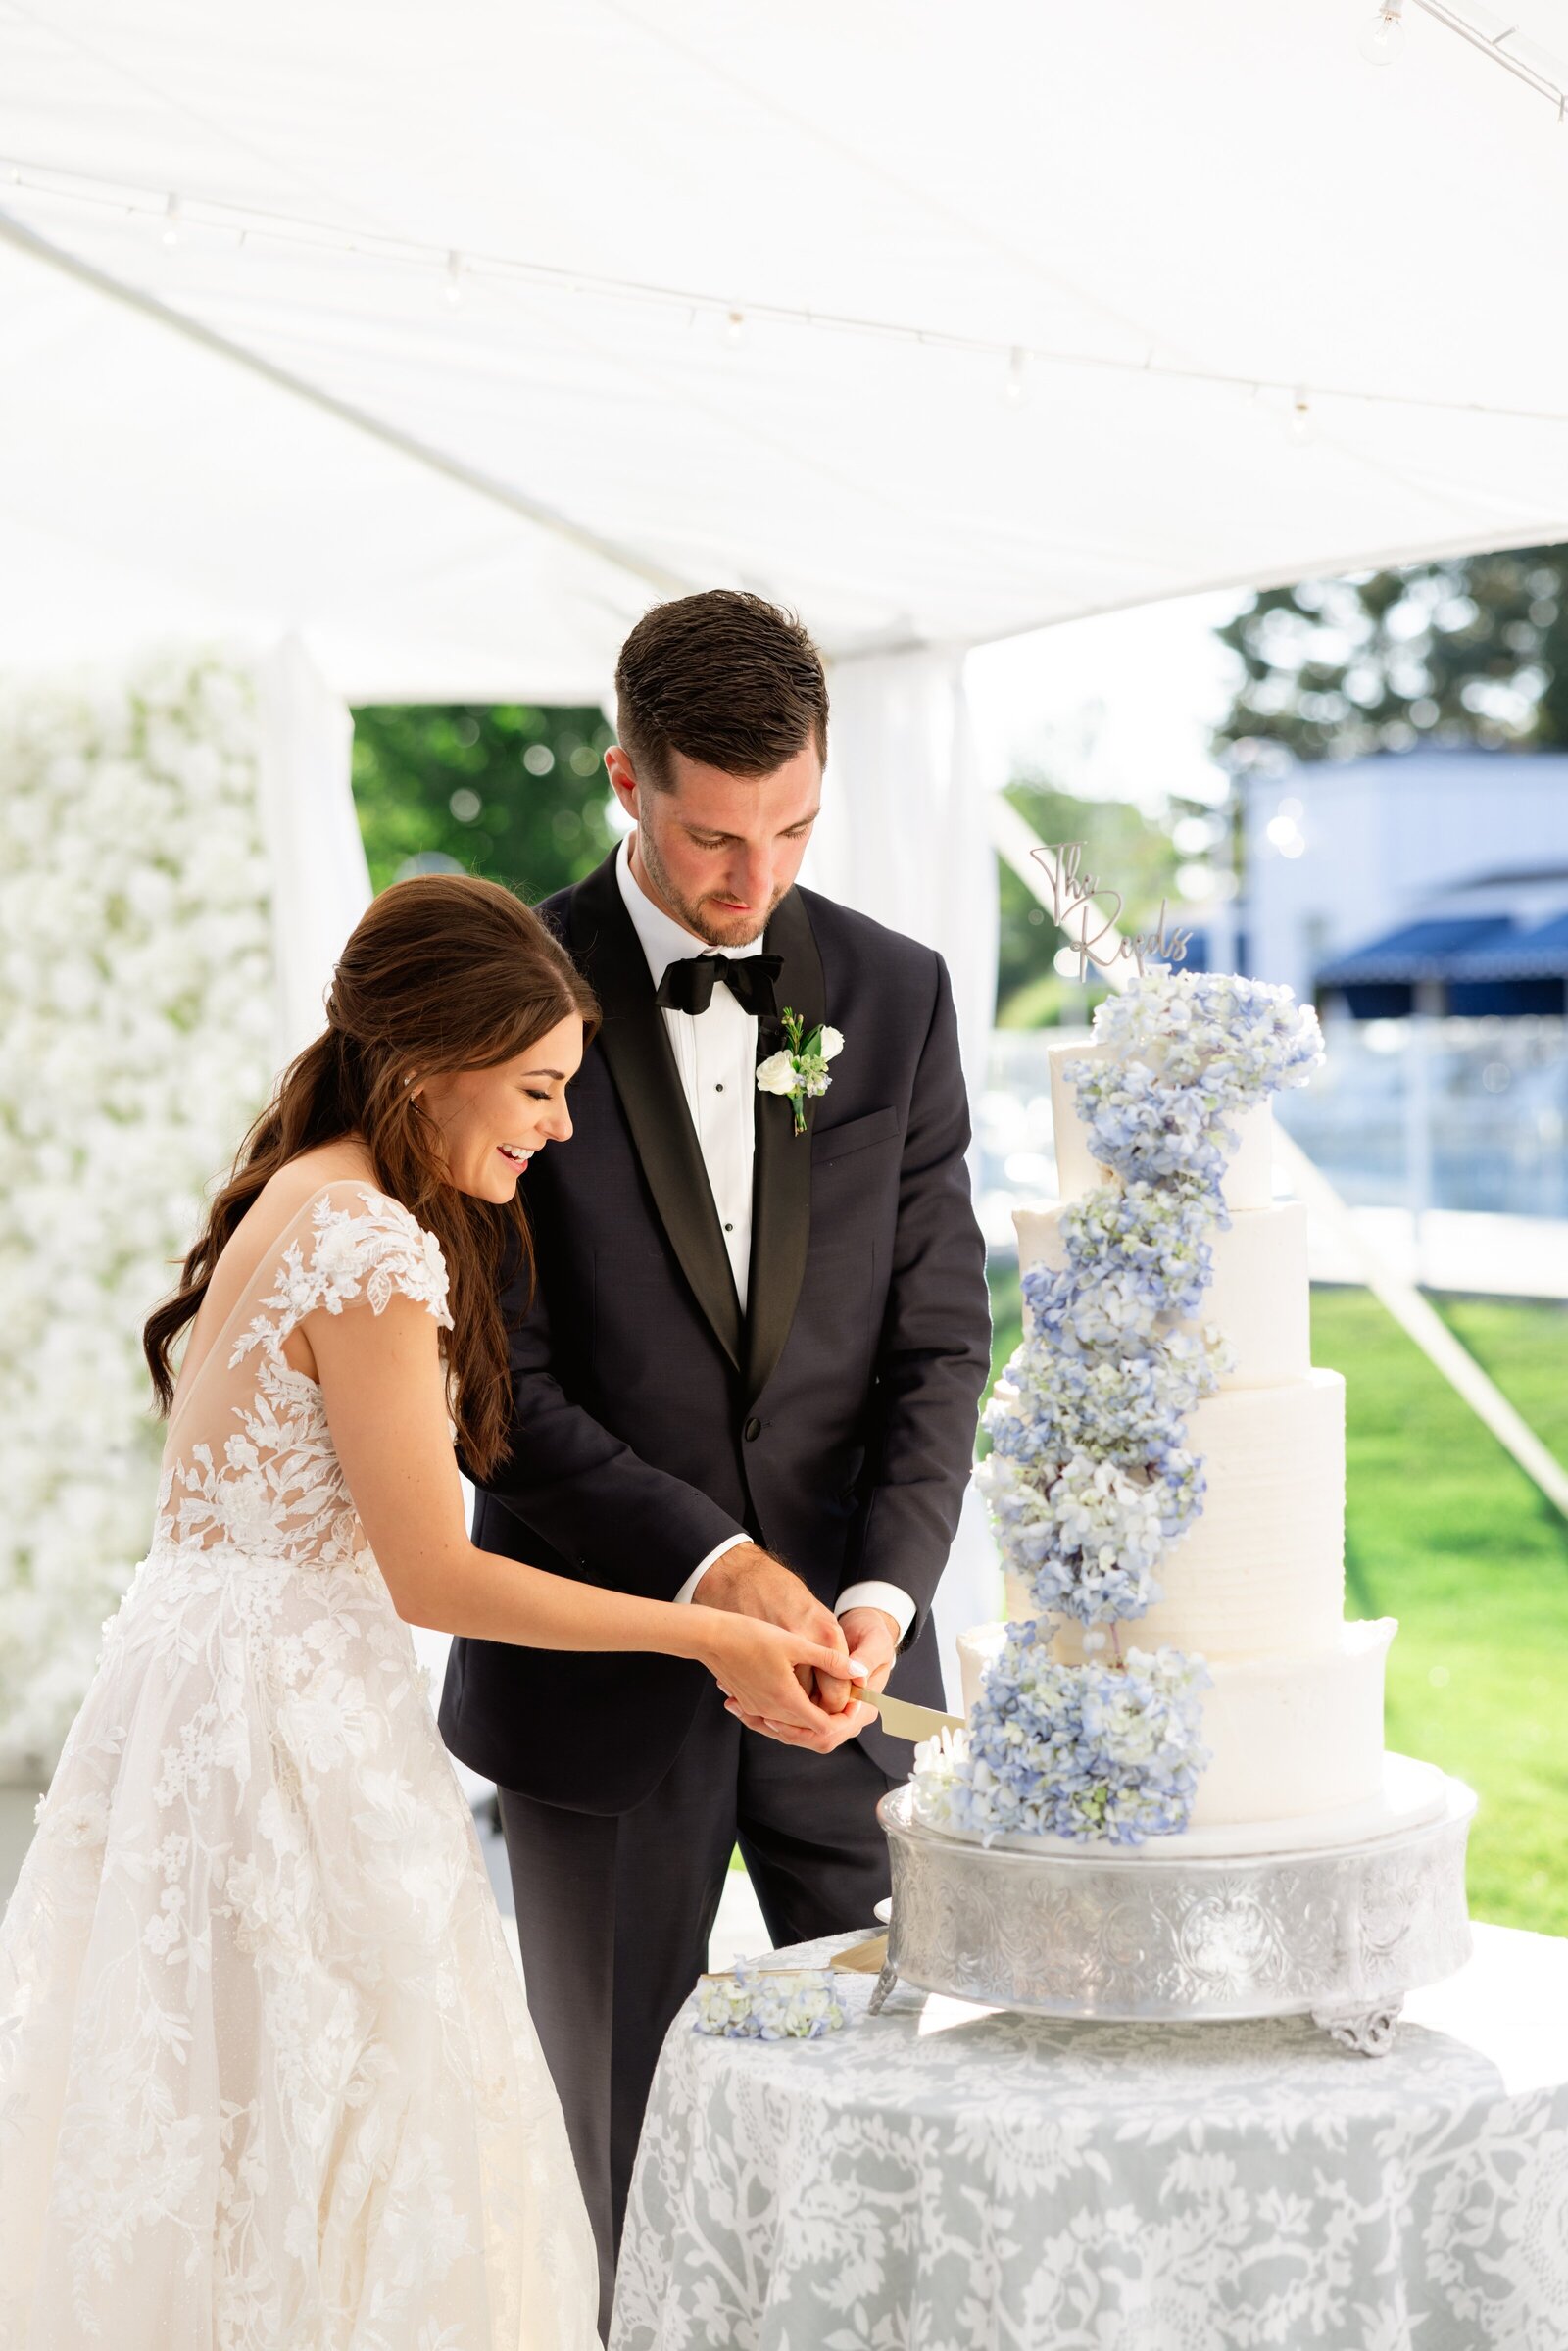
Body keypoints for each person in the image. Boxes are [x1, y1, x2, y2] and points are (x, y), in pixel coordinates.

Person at [0, 872, 866, 2350]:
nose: (562, 1126)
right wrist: (711, 1630)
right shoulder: (370, 1244)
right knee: (366, 2124)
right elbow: (435, 1576)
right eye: (536, 1087)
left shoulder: (301, 1189)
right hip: (288, 1746)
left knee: (235, 2132)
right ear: (430, 1061)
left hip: (195, 1705)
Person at [439, 590, 993, 2333]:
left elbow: (936, 1340)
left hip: (848, 1689)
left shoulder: (896, 997)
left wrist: (879, 1593)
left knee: (909, 2145)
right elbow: (498, 1390)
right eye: (711, 835)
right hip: (597, 1698)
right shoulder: (498, 1003)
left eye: (794, 829)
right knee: (602, 2166)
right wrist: (713, 1575)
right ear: (625, 778)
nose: (754, 879)